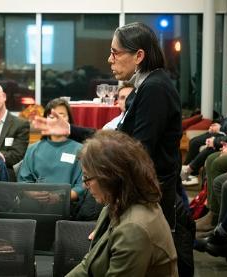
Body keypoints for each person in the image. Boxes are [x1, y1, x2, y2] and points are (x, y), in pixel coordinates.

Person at [33, 22, 182, 230]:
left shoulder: (154, 88)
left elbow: (138, 152)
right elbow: (118, 139)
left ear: (139, 56)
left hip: (150, 199)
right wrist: (69, 129)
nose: (109, 59)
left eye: (115, 53)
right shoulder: (145, 86)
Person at [67, 130, 177, 276]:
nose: (84, 185)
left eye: (87, 177)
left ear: (111, 177)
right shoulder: (117, 204)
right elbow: (90, 264)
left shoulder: (133, 229)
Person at [17, 98, 84, 201]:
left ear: (69, 120)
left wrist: (59, 198)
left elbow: (82, 186)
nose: (57, 119)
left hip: (69, 207)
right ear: (45, 120)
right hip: (35, 205)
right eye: (51, 116)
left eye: (62, 115)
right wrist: (33, 194)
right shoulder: (33, 149)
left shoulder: (80, 149)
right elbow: (23, 181)